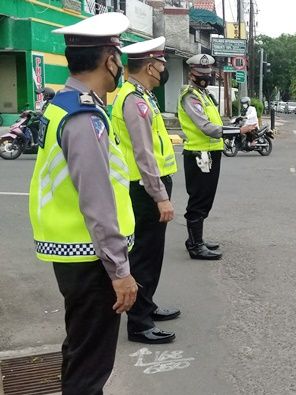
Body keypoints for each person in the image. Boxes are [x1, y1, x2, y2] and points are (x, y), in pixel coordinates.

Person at [28, 13, 137, 394]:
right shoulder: (83, 116)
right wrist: (120, 270)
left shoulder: (64, 102)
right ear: (109, 58)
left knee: (80, 348)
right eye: (118, 57)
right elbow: (97, 200)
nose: (120, 66)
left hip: (75, 253)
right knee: (91, 362)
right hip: (91, 257)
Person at [111, 36, 179, 344]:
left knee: (152, 254)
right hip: (144, 188)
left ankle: (146, 306)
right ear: (151, 66)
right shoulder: (133, 100)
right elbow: (143, 154)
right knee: (145, 257)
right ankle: (139, 323)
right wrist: (160, 196)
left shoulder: (141, 95)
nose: (164, 68)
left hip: (147, 185)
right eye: (162, 63)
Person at [177, 54, 223, 260]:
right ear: (191, 73)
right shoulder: (190, 96)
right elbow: (206, 127)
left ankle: (197, 239)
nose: (205, 77)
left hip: (210, 152)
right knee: (199, 199)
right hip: (199, 154)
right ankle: (195, 245)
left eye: (208, 73)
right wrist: (235, 131)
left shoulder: (204, 94)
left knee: (206, 199)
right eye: (200, 74)